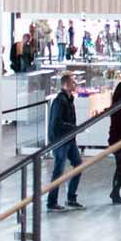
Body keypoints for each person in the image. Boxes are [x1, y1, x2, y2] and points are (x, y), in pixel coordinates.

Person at [44, 73, 84, 211]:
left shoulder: (69, 100)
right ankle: (51, 202)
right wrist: (73, 128)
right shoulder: (60, 101)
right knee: (58, 170)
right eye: (73, 82)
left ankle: (71, 197)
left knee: (78, 164)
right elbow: (56, 123)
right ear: (65, 85)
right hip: (61, 140)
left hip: (69, 139)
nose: (75, 84)